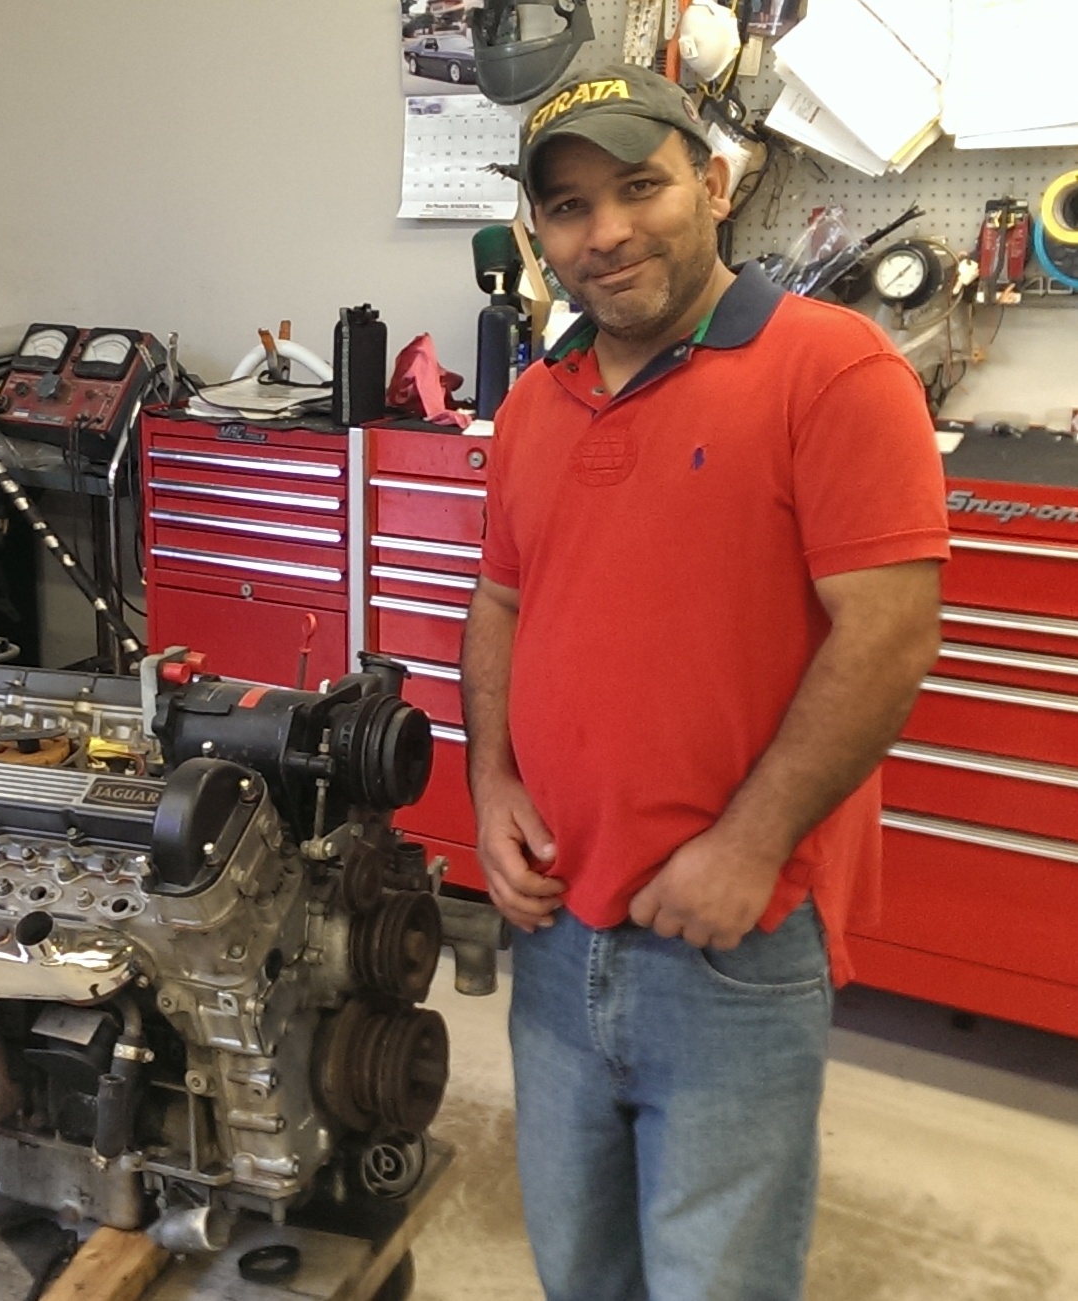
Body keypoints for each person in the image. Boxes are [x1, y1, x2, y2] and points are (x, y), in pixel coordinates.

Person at [460, 64, 950, 1301]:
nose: (605, 232)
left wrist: (747, 843)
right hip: (556, 921)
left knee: (714, 1279)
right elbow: (502, 600)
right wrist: (491, 783)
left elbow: (888, 633)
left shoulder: (832, 370)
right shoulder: (534, 403)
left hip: (733, 939)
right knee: (580, 1268)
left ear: (715, 185)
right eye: (568, 207)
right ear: (539, 232)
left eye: (640, 188)